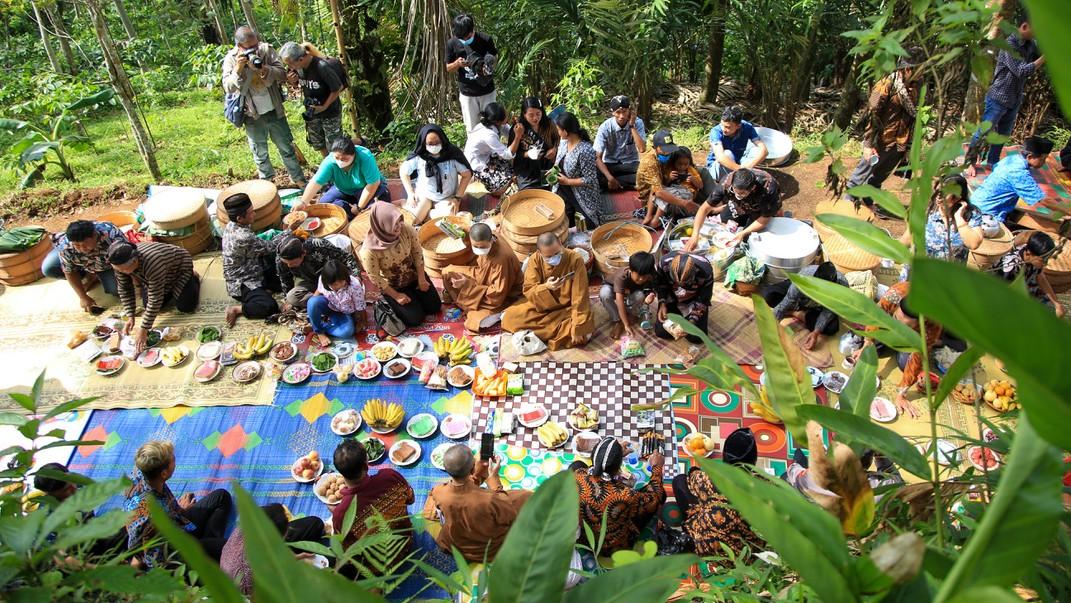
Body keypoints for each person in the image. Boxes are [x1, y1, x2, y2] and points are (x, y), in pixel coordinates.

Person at [123, 441, 232, 567]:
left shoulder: (142, 472)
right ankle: (204, 560)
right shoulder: (148, 516)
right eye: (172, 460)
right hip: (173, 554)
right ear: (164, 473)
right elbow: (137, 550)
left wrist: (178, 510)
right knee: (233, 550)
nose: (175, 460)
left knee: (221, 497)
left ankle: (206, 549)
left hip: (178, 523)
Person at [222, 26, 305, 186]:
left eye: (255, 45)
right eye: (249, 48)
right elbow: (228, 87)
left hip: (274, 109)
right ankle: (267, 184)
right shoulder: (231, 59)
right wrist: (238, 70)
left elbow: (283, 74)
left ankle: (298, 179)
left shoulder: (266, 50)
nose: (254, 50)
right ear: (239, 46)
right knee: (259, 152)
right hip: (252, 114)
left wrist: (264, 69)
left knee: (286, 147)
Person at [844, 49, 922, 212]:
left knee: (880, 175)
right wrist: (867, 143)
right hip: (880, 139)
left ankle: (868, 198)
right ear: (907, 69)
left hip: (900, 140)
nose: (921, 74)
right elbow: (871, 112)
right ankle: (848, 202)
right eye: (918, 70)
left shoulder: (915, 87)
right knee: (863, 172)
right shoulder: (885, 83)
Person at [423, 445, 531, 562]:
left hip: (458, 544)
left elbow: (463, 489)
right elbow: (509, 514)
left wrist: (476, 473)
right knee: (524, 496)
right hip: (488, 549)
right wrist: (494, 482)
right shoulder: (490, 499)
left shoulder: (438, 491)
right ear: (472, 468)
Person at [850, 282, 941, 418]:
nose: (900, 327)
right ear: (897, 306)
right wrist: (867, 344)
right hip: (888, 327)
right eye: (897, 319)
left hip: (911, 340)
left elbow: (917, 356)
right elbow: (875, 317)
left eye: (906, 326)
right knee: (865, 346)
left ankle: (909, 344)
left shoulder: (932, 325)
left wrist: (901, 394)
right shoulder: (894, 295)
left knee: (907, 366)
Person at [966, 14, 1044, 168]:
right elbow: (1021, 71)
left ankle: (992, 162)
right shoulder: (1009, 45)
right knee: (984, 131)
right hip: (998, 98)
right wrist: (1044, 58)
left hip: (1014, 99)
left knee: (1003, 135)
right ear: (1025, 26)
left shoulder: (1030, 44)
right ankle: (969, 163)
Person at [672, 428, 763, 559]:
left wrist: (696, 469)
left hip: (705, 545)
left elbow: (693, 476)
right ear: (754, 460)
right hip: (750, 555)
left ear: (724, 457)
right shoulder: (766, 486)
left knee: (679, 480)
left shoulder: (710, 478)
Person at [331, 439, 414, 573]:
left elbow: (348, 548)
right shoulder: (390, 476)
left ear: (340, 472)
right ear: (366, 464)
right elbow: (410, 498)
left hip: (380, 562)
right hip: (405, 543)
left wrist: (336, 514)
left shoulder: (341, 513)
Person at [572, 437, 665, 554]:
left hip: (586, 540)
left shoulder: (578, 476)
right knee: (657, 495)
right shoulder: (625, 495)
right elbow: (656, 498)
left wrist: (613, 455)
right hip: (613, 547)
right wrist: (657, 467)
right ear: (618, 467)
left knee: (577, 464)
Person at [502, 233, 594, 350]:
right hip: (540, 307)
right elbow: (529, 290)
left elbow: (580, 295)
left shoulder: (575, 259)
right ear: (540, 253)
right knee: (508, 317)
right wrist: (546, 287)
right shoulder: (534, 259)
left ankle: (542, 332)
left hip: (567, 309)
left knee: (584, 333)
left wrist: (578, 326)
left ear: (560, 244)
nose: (554, 258)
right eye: (549, 257)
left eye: (556, 253)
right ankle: (551, 332)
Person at [358, 203, 442, 328]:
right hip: (394, 285)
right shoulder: (368, 251)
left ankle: (415, 296)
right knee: (415, 319)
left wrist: (421, 278)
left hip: (414, 276)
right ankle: (394, 301)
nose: (398, 227)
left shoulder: (406, 229)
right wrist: (396, 296)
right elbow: (375, 277)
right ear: (382, 225)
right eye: (394, 224)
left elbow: (417, 252)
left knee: (434, 307)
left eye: (399, 222)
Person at [108, 241, 200, 355]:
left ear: (135, 261)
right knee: (148, 306)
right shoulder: (121, 264)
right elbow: (124, 288)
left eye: (122, 270)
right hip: (157, 278)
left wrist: (143, 329)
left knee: (186, 306)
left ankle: (193, 278)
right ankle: (169, 289)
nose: (120, 272)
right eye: (118, 270)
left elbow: (155, 297)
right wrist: (130, 315)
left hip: (179, 269)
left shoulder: (152, 261)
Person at [221, 504, 325, 595]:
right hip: (250, 587)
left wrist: (294, 557)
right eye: (286, 533)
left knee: (315, 523)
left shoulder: (249, 523)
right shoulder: (249, 580)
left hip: (230, 562)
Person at [441, 223, 522, 333]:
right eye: (476, 246)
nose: (479, 249)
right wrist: (460, 231)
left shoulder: (502, 260)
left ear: (491, 240)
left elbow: (497, 295)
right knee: (447, 272)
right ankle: (465, 300)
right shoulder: (486, 234)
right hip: (482, 273)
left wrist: (468, 285)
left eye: (483, 247)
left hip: (504, 294)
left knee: (475, 321)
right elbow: (469, 229)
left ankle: (490, 311)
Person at [33, 463, 128, 557]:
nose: (74, 489)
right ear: (50, 495)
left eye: (72, 483)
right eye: (66, 491)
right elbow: (60, 558)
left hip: (96, 536)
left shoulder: (76, 482)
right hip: (80, 553)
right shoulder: (47, 518)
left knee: (133, 529)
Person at [968, 136, 1062, 223]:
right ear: (1029, 157)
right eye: (1043, 159)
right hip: (985, 214)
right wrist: (1067, 211)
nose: (1044, 162)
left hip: (975, 203)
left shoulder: (1011, 159)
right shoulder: (1019, 173)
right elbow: (1044, 200)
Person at [221, 193, 281, 327]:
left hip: (252, 264)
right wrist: (289, 231)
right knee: (270, 306)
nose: (254, 214)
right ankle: (237, 309)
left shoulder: (234, 224)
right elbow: (270, 247)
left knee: (283, 279)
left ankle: (266, 288)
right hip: (243, 281)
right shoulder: (242, 237)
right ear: (240, 218)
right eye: (251, 212)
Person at [685, 168, 781, 250]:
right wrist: (695, 235)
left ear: (753, 188)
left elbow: (764, 219)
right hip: (738, 204)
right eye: (735, 191)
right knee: (724, 221)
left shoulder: (768, 190)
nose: (739, 195)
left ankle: (776, 213)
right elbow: (704, 209)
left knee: (748, 239)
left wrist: (743, 233)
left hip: (760, 207)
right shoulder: (726, 183)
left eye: (742, 193)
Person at [42, 220, 125, 313]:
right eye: (77, 245)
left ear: (95, 235)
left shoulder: (112, 237)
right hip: (83, 265)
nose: (82, 248)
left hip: (108, 266)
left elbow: (125, 260)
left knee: (118, 290)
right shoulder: (65, 246)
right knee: (48, 268)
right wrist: (82, 297)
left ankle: (95, 276)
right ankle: (90, 276)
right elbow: (69, 271)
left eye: (85, 244)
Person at [296, 138, 391, 219]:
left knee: (378, 206)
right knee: (324, 204)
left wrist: (359, 207)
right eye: (337, 158)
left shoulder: (365, 157)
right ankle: (351, 211)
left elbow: (373, 184)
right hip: (343, 190)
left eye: (345, 159)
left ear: (354, 154)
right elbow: (316, 182)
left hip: (366, 188)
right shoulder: (329, 162)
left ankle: (355, 210)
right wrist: (303, 202)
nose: (340, 161)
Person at [279, 42, 345, 157]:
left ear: (300, 59)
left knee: (335, 145)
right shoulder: (299, 68)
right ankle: (327, 166)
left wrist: (324, 106)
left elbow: (337, 87)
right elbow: (300, 85)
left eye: (291, 64)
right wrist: (292, 81)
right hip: (312, 112)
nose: (290, 68)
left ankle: (339, 167)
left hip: (330, 112)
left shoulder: (321, 66)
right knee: (318, 143)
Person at [762, 261, 847, 351]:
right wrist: (773, 325)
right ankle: (797, 312)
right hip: (801, 299)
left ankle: (796, 313)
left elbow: (828, 312)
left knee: (832, 328)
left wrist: (815, 333)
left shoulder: (842, 288)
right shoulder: (804, 277)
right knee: (769, 295)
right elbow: (788, 301)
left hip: (818, 307)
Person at [899, 174, 983, 264]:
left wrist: (959, 218)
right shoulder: (925, 210)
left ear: (956, 198)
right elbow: (907, 239)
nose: (938, 196)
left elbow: (973, 244)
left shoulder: (971, 213)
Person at [400, 124, 472, 224]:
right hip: (424, 195)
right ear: (424, 144)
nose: (434, 146)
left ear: (442, 140)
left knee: (449, 218)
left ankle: (426, 215)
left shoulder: (452, 154)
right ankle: (408, 206)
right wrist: (410, 193)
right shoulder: (419, 156)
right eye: (430, 143)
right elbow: (403, 171)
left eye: (437, 142)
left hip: (446, 197)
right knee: (413, 221)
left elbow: (467, 175)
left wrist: (457, 198)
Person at [276, 234, 362, 310]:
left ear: (303, 253)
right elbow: (285, 279)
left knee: (351, 289)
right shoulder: (281, 259)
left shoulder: (318, 246)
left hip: (334, 279)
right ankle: (330, 302)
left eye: (292, 263)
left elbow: (346, 257)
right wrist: (287, 300)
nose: (289, 266)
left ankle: (338, 301)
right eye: (286, 263)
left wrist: (356, 275)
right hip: (313, 282)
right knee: (292, 297)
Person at [445, 14, 498, 132]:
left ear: (472, 30)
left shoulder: (485, 39)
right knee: (472, 128)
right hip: (467, 94)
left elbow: (495, 59)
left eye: (467, 36)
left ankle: (494, 149)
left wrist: (488, 62)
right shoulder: (451, 43)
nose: (465, 40)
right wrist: (457, 64)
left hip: (487, 91)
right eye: (461, 38)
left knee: (492, 126)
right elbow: (448, 68)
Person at [994, 231, 1064, 317]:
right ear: (1028, 254)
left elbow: (1041, 278)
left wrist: (1056, 303)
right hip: (1008, 296)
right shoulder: (1010, 267)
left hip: (1027, 289)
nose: (1045, 263)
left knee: (1055, 311)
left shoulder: (1034, 258)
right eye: (1043, 260)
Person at [553, 112, 604, 228]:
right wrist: (553, 171)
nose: (558, 132)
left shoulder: (585, 150)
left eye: (558, 130)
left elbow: (590, 180)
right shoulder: (564, 142)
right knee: (562, 218)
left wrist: (567, 182)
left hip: (581, 192)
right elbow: (559, 161)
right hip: (563, 187)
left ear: (565, 132)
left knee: (587, 226)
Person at [653, 251, 714, 343]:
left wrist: (691, 322)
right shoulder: (664, 264)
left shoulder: (705, 272)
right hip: (671, 297)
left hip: (694, 299)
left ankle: (686, 317)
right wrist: (662, 302)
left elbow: (704, 299)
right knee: (661, 332)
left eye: (684, 283)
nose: (680, 286)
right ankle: (677, 312)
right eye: (676, 282)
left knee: (697, 338)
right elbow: (661, 285)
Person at [593, 95, 646, 191]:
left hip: (631, 164)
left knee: (647, 171)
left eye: (624, 112)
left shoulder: (638, 122)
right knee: (593, 174)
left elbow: (642, 149)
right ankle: (627, 184)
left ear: (629, 111)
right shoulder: (605, 127)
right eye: (618, 112)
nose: (622, 116)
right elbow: (597, 157)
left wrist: (632, 126)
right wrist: (610, 178)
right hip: (611, 164)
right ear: (613, 112)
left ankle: (617, 184)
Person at [600, 251, 657, 340]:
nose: (641, 279)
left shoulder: (650, 275)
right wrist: (626, 325)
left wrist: (650, 296)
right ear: (630, 270)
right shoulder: (621, 277)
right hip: (613, 290)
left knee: (640, 295)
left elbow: (650, 289)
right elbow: (619, 301)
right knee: (605, 293)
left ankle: (630, 314)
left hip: (631, 292)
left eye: (645, 276)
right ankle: (618, 320)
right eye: (638, 275)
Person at [641, 146, 703, 227]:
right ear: (674, 162)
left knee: (665, 194)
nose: (682, 167)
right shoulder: (671, 169)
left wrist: (693, 180)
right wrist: (669, 178)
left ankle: (656, 219)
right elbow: (665, 184)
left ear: (689, 162)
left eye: (685, 164)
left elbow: (701, 186)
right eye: (679, 164)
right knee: (655, 189)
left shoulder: (691, 170)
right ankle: (648, 215)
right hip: (672, 189)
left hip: (687, 192)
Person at [508, 97, 559, 191]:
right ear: (524, 114)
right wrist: (527, 154)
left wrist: (554, 149)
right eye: (531, 115)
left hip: (547, 166)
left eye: (538, 114)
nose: (535, 118)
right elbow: (511, 154)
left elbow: (558, 139)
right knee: (529, 196)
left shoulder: (549, 124)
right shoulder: (518, 128)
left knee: (549, 195)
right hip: (526, 171)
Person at [464, 102, 514, 196]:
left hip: (486, 155)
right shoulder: (488, 134)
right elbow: (507, 155)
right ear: (498, 121)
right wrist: (518, 137)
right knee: (501, 186)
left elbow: (508, 131)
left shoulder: (493, 124)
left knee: (511, 168)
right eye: (506, 114)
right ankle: (480, 179)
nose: (507, 115)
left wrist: (517, 132)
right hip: (476, 163)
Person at [707, 105, 768, 182]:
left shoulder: (747, 127)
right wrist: (741, 169)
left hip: (737, 163)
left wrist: (750, 166)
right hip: (717, 169)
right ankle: (740, 176)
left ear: (738, 126)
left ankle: (741, 175)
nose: (723, 129)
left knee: (756, 150)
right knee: (727, 154)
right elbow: (720, 158)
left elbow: (764, 150)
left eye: (728, 127)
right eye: (722, 125)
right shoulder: (716, 131)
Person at [307, 259, 367, 338]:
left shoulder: (354, 285)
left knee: (347, 332)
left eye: (341, 282)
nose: (337, 286)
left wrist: (362, 321)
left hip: (345, 312)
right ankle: (319, 331)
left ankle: (323, 325)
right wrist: (312, 310)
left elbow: (360, 305)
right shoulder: (323, 279)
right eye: (333, 285)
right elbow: (318, 291)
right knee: (312, 302)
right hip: (329, 306)